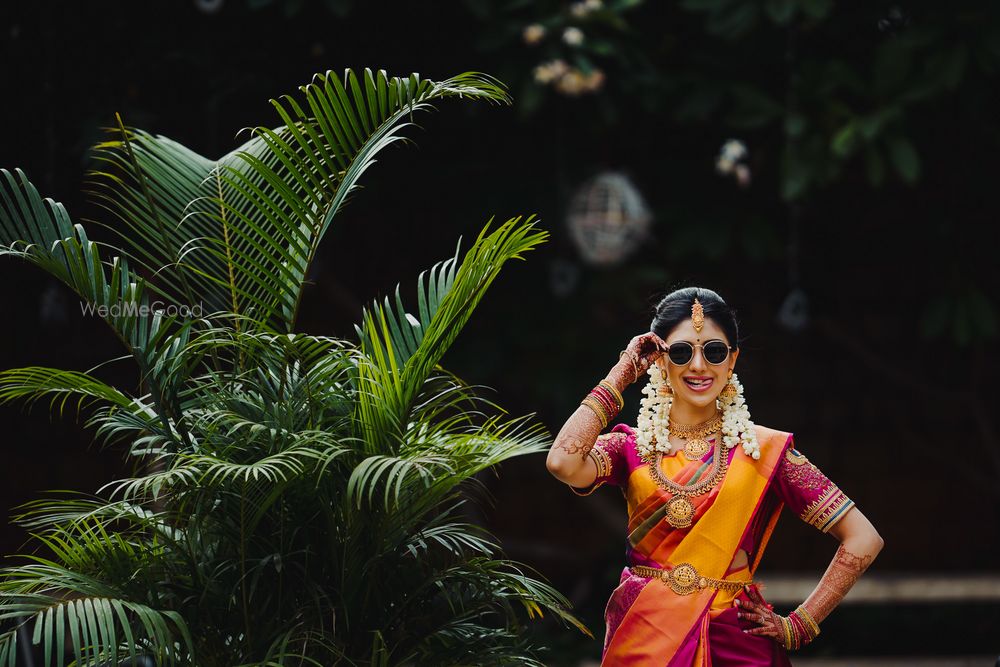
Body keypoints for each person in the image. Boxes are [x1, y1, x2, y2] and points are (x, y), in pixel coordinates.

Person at [545, 287, 884, 665]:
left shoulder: (765, 451)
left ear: (732, 359)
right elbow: (562, 462)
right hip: (646, 637)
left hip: (737, 643)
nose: (699, 366)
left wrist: (801, 624)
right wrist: (620, 374)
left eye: (714, 351)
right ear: (659, 360)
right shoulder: (631, 446)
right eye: (681, 352)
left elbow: (863, 538)